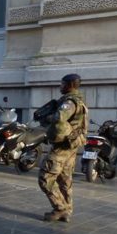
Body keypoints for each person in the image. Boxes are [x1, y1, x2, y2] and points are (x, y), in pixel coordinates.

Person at [38, 74, 88, 223]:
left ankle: (60, 208)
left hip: (62, 147)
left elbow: (59, 117)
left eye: (62, 84)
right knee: (64, 179)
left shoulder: (70, 101)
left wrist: (46, 117)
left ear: (70, 84)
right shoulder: (79, 99)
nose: (60, 86)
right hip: (70, 146)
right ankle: (67, 210)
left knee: (45, 177)